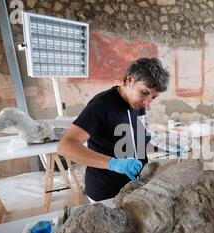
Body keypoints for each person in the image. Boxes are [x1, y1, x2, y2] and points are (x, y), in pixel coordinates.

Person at [57, 58, 170, 202]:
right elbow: (65, 146)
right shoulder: (101, 105)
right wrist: (113, 163)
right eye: (144, 92)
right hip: (106, 191)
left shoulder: (138, 105)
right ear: (130, 80)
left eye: (153, 97)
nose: (147, 103)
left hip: (135, 187)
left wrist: (165, 146)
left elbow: (139, 141)